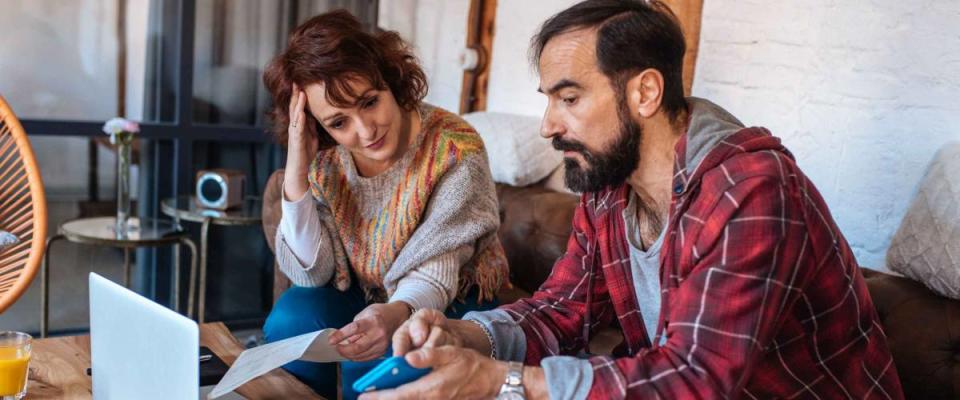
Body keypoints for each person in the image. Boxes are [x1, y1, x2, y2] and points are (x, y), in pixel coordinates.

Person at [372, 1, 905, 399]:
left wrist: (502, 382)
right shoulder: (608, 187)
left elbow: (698, 379)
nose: (548, 126)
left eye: (570, 98)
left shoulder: (751, 191)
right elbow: (560, 311)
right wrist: (465, 336)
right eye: (550, 101)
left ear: (644, 93)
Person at [260, 10, 508, 400]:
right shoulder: (325, 159)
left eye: (370, 102)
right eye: (338, 123)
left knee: (384, 356)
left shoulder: (455, 147)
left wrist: (396, 313)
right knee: (292, 320)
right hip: (365, 288)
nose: (365, 130)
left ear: (391, 81)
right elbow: (312, 275)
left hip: (453, 293)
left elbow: (436, 271)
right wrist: (297, 174)